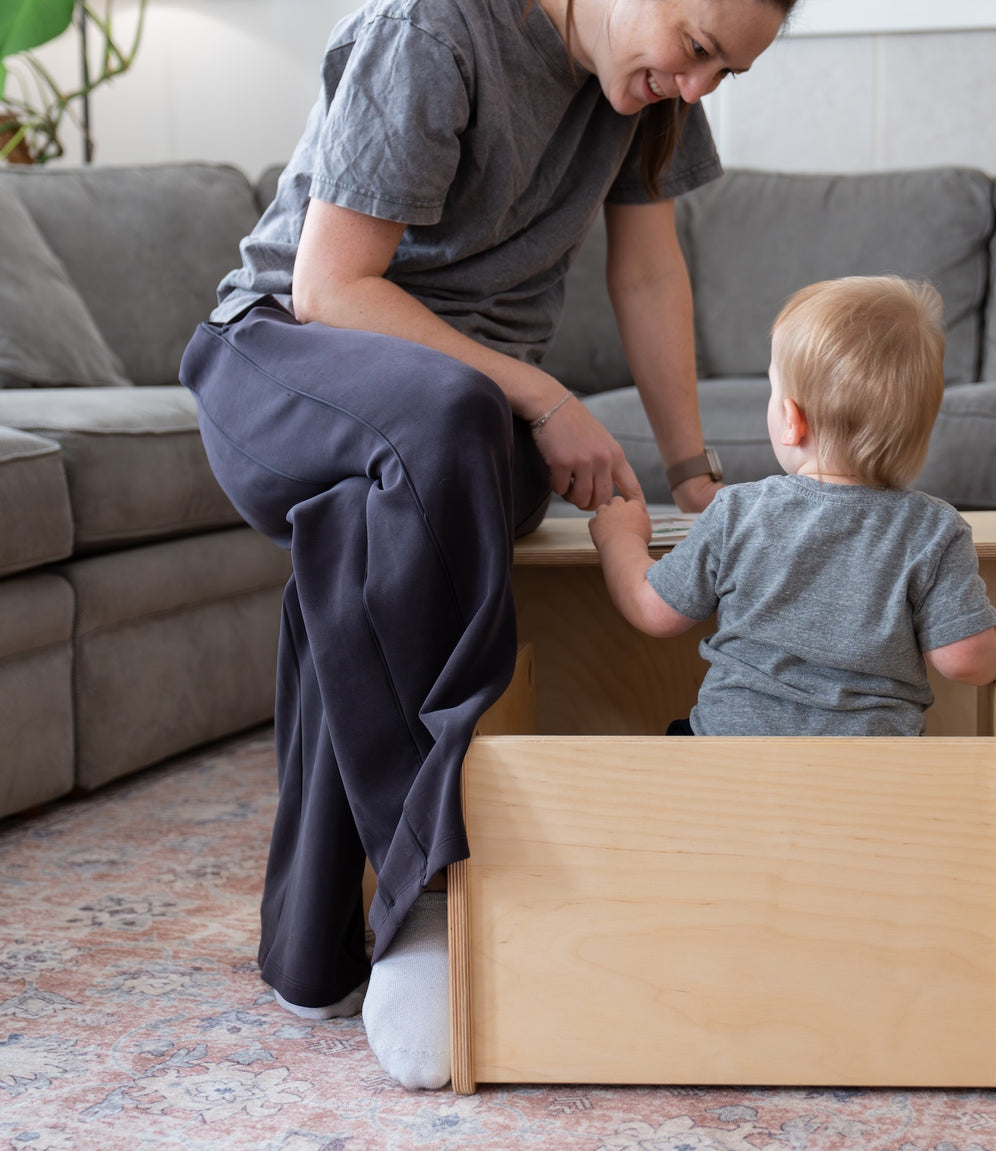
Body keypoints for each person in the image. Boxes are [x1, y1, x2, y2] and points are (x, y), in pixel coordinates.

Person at [179, 0, 797, 1090]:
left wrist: (697, 478)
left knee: (382, 512)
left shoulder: (644, 87)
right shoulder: (434, 31)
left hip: (457, 435)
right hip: (280, 357)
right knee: (447, 427)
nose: (698, 87)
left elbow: (648, 273)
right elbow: (329, 288)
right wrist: (541, 392)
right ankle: (427, 894)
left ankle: (312, 940)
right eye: (697, 49)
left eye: (725, 75)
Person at [589, 275, 996, 736]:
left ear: (792, 421)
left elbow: (654, 610)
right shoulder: (934, 528)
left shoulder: (738, 511)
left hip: (732, 765)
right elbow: (963, 655)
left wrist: (618, 538)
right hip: (872, 775)